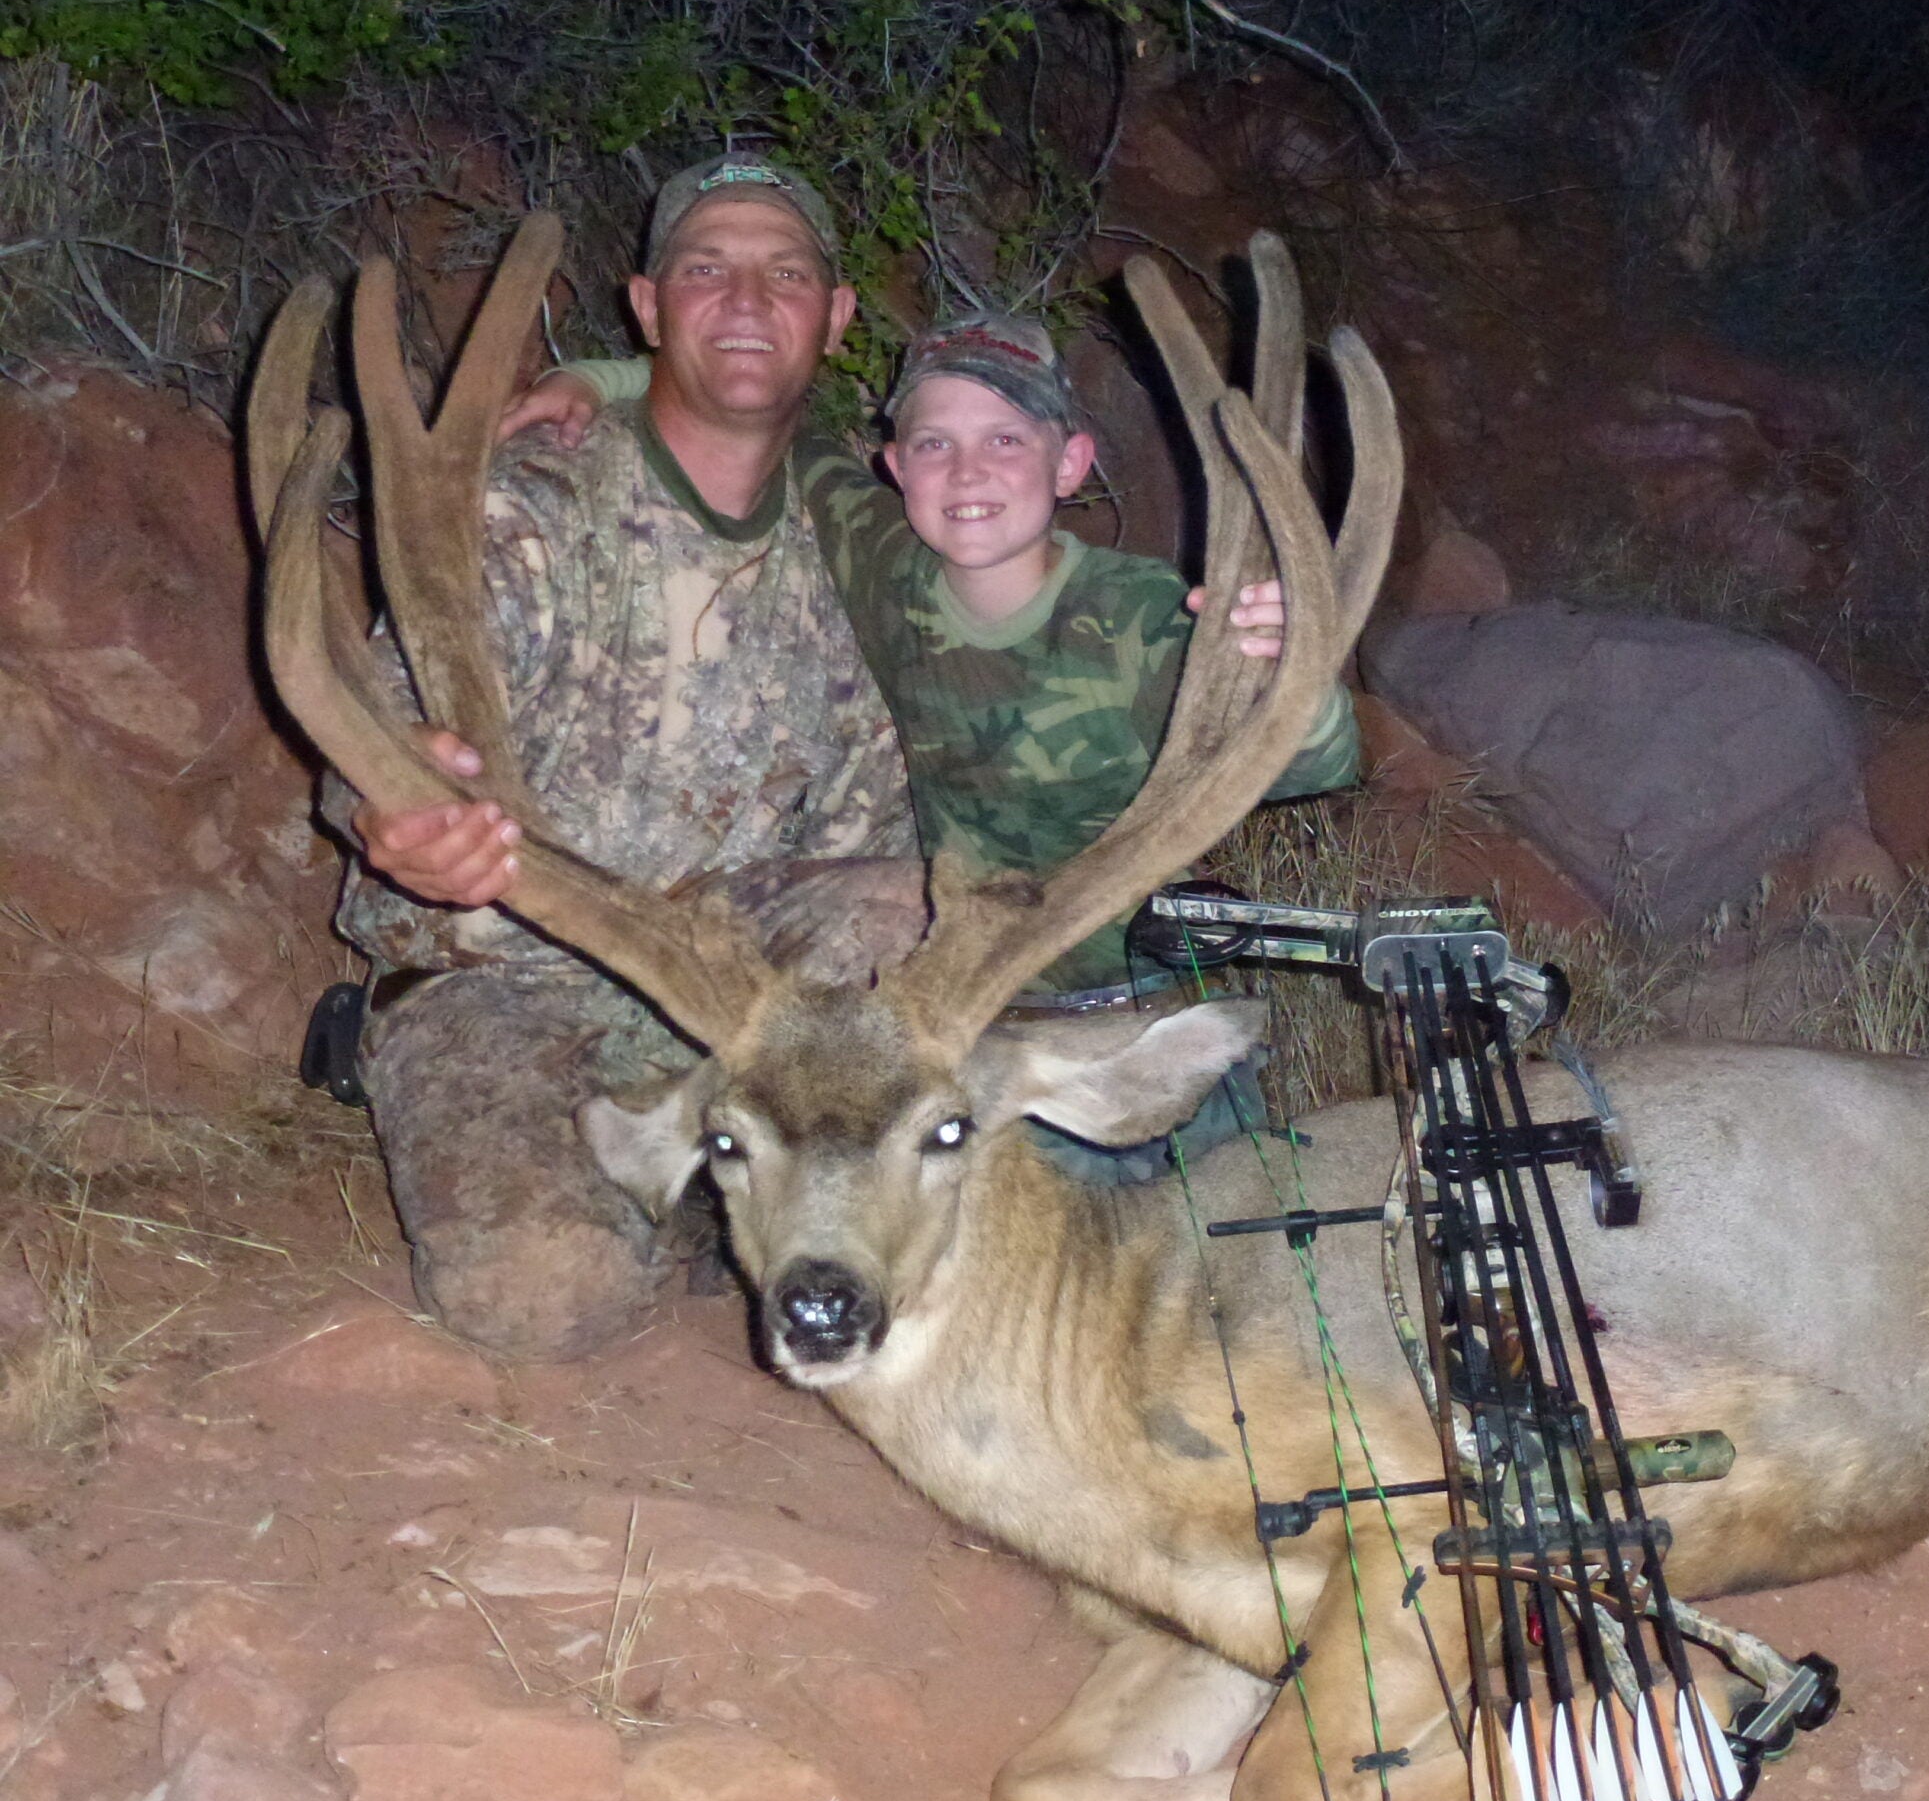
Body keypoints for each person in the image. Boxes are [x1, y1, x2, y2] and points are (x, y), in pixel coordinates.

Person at [515, 307, 1361, 1177]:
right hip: (977, 1012)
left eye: (1005, 440)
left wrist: (1286, 668)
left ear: (1069, 463)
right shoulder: (889, 568)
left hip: (1140, 1011)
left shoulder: (1140, 622)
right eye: (932, 445)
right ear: (895, 469)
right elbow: (784, 433)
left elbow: (1325, 763)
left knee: (1209, 1247)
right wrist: (599, 380)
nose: (967, 471)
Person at [330, 157, 922, 1361]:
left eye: (786, 274)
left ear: (836, 316)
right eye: (707, 270)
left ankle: (721, 1189)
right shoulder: (527, 510)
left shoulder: (861, 556)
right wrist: (399, 813)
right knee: (548, 1296)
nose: (747, 301)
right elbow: (380, 737)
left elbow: (874, 861)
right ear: (648, 308)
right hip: (499, 988)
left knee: (908, 910)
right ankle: (651, 1198)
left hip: (722, 994)